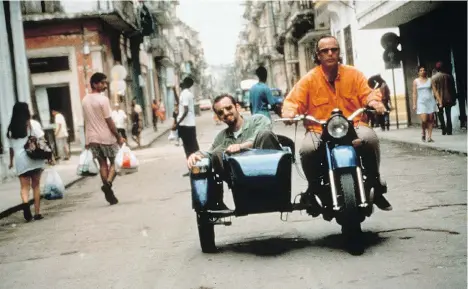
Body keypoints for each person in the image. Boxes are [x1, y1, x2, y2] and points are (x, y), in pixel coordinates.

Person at [282, 35, 392, 215]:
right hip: (319, 129)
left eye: (334, 49)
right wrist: (289, 112)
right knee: (307, 150)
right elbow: (293, 101)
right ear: (318, 55)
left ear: (339, 52)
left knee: (370, 138)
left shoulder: (354, 74)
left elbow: (368, 94)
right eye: (325, 51)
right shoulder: (309, 79)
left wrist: (375, 103)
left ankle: (375, 183)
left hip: (353, 125)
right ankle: (314, 189)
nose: (330, 53)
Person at [187, 94, 284, 211]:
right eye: (220, 112)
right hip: (240, 182)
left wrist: (241, 146)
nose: (226, 113)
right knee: (217, 152)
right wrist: (196, 154)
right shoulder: (221, 137)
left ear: (237, 106)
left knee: (265, 135)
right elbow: (211, 153)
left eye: (228, 108)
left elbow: (265, 134)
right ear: (218, 117)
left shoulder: (258, 120)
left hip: (269, 176)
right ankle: (217, 201)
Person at [82, 72, 124, 205]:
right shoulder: (103, 100)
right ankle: (108, 184)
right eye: (102, 83)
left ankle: (107, 189)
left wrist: (86, 139)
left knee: (102, 165)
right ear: (94, 84)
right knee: (115, 162)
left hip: (92, 138)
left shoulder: (84, 100)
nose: (105, 85)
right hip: (106, 137)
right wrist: (118, 136)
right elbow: (109, 121)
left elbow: (86, 121)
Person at [6, 102, 47, 221]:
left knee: (24, 187)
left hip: (20, 161)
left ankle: (25, 204)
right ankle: (37, 213)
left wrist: (11, 162)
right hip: (34, 158)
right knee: (36, 186)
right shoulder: (32, 124)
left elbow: (11, 148)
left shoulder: (10, 129)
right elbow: (42, 139)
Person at [175, 77, 199, 177]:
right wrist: (173, 91)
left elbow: (185, 110)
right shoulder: (186, 93)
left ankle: (194, 169)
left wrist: (177, 123)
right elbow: (179, 103)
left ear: (185, 83)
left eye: (182, 81)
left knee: (189, 148)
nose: (180, 82)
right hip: (189, 124)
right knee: (191, 147)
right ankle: (193, 168)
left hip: (185, 125)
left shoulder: (185, 94)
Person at [412, 65, 438, 142]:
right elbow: (414, 93)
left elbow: (435, 91)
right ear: (418, 72)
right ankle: (423, 132)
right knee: (424, 120)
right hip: (421, 102)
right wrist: (414, 104)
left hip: (430, 101)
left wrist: (439, 101)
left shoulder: (430, 80)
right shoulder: (415, 81)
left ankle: (429, 137)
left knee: (430, 119)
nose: (423, 71)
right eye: (421, 70)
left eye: (424, 70)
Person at [432, 61, 457, 135]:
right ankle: (449, 130)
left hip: (438, 98)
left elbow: (434, 90)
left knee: (440, 113)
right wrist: (454, 98)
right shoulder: (448, 76)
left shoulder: (434, 78)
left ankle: (443, 128)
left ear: (436, 68)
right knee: (448, 114)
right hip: (448, 98)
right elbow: (453, 89)